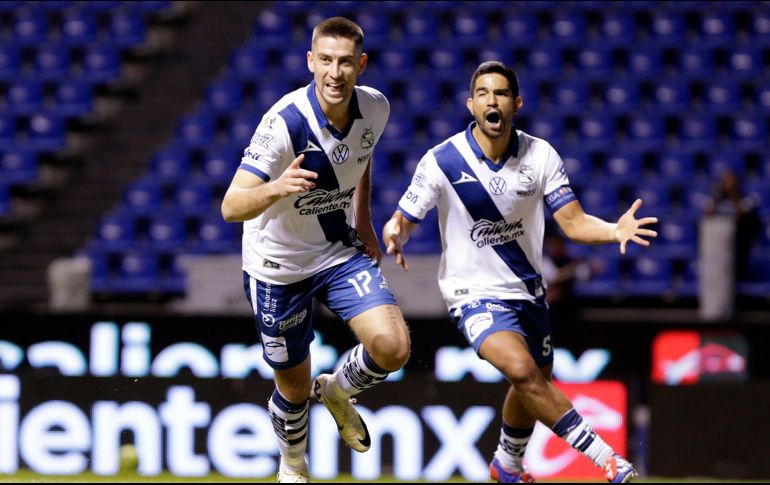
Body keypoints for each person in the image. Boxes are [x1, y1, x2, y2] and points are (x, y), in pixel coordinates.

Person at [382, 61, 657, 484]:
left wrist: (613, 230)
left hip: (529, 293)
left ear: (517, 103)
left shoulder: (540, 155)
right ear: (471, 104)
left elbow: (573, 221)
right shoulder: (442, 160)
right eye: (484, 93)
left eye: (502, 93)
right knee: (524, 372)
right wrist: (395, 231)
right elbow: (404, 216)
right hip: (471, 293)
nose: (493, 101)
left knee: (534, 382)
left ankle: (507, 464)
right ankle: (609, 462)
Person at [221, 17, 410, 483]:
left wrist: (363, 221)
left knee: (393, 347)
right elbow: (230, 206)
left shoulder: (376, 108)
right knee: (293, 386)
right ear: (310, 61)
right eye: (325, 60)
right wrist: (277, 187)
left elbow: (361, 157)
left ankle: (340, 392)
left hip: (334, 252)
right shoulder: (284, 123)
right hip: (277, 268)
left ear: (360, 65)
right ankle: (293, 468)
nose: (335, 72)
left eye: (345, 62)